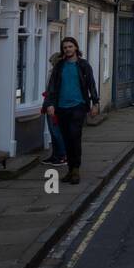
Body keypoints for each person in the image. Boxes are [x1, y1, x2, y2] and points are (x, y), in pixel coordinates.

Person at [44, 37, 100, 184]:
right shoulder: (60, 66)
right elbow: (52, 86)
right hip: (61, 107)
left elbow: (91, 85)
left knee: (75, 137)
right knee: (66, 139)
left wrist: (95, 103)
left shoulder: (83, 65)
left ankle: (75, 170)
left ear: (75, 48)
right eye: (65, 47)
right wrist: (49, 104)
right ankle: (70, 169)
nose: (67, 49)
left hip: (78, 106)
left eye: (70, 46)